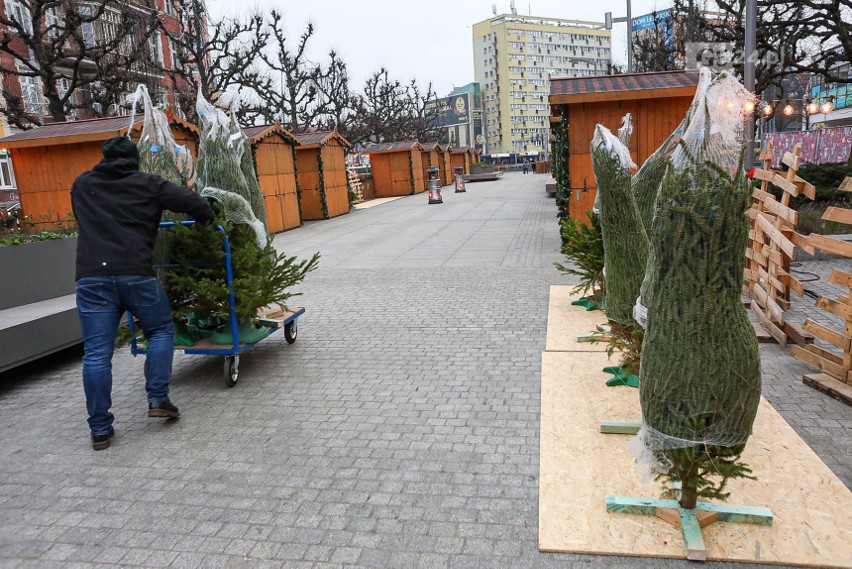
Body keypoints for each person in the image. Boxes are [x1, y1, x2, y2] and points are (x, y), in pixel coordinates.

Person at [72, 136, 215, 450]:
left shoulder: (82, 185)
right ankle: (158, 398)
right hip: (136, 273)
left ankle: (99, 430)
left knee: (96, 354)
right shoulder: (148, 184)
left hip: (93, 278)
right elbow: (191, 201)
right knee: (161, 329)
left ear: (103, 157)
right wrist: (206, 217)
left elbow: (82, 218)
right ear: (134, 159)